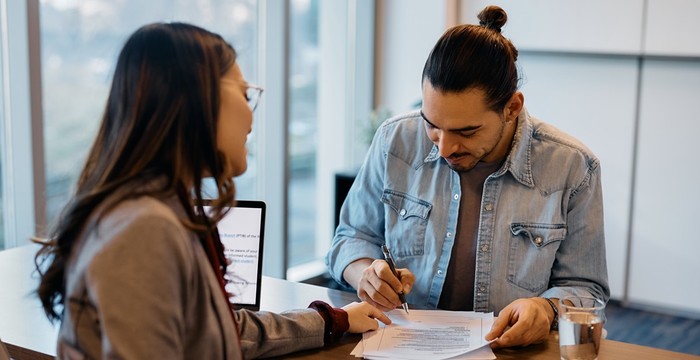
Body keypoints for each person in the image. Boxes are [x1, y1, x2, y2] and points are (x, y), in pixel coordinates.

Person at [34, 22, 390, 359]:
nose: (252, 117)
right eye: (244, 93)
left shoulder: (153, 209)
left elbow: (218, 330)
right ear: (196, 99)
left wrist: (332, 320)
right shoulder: (144, 229)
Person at [326, 5, 609, 349]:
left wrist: (545, 308)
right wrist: (364, 272)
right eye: (432, 125)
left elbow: (586, 287)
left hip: (510, 352)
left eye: (467, 131)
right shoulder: (394, 141)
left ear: (512, 108)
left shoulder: (573, 167)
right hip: (403, 345)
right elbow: (350, 237)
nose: (445, 147)